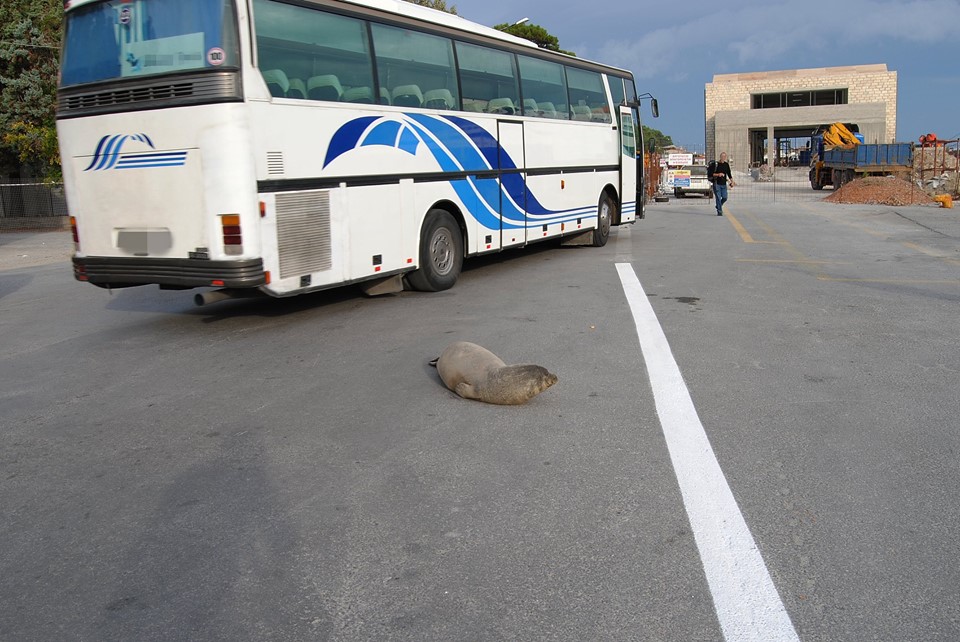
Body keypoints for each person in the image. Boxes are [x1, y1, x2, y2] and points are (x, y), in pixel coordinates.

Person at [710, 152, 735, 216]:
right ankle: (719, 211)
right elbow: (711, 174)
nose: (723, 158)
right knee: (718, 197)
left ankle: (718, 205)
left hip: (724, 184)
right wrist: (718, 174)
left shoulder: (726, 164)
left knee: (725, 197)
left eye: (724, 157)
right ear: (720, 157)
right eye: (722, 156)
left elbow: (729, 174)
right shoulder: (716, 164)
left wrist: (732, 181)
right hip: (717, 184)